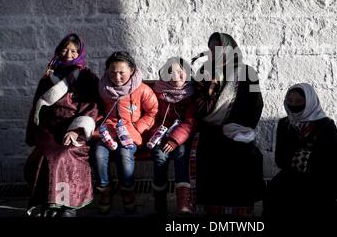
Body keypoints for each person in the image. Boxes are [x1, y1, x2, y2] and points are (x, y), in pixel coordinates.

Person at [24, 33, 99, 217]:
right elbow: (37, 106)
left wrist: (76, 131)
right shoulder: (48, 78)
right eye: (65, 49)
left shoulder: (86, 77)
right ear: (58, 51)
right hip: (49, 130)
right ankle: (48, 203)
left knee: (63, 155)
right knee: (43, 155)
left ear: (80, 53)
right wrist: (35, 133)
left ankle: (66, 204)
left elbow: (92, 106)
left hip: (73, 129)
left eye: (74, 50)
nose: (68, 53)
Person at [192, 32, 265, 216]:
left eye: (220, 49)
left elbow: (257, 102)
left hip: (238, 127)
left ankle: (242, 206)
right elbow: (198, 103)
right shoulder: (204, 72)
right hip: (209, 128)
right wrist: (211, 89)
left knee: (245, 153)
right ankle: (211, 206)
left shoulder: (249, 73)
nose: (215, 54)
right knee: (207, 150)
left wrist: (244, 127)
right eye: (212, 50)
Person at [263, 83, 337, 218]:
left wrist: (307, 162)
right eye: (290, 101)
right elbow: (280, 159)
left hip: (324, 176)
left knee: (313, 200)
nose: (293, 105)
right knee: (273, 192)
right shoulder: (284, 124)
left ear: (309, 102)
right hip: (294, 173)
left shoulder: (326, 125)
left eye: (299, 101)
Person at [94, 51, 158, 214]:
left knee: (125, 154)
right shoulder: (102, 88)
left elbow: (152, 111)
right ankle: (104, 191)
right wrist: (100, 123)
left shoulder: (141, 89)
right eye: (112, 72)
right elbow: (94, 110)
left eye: (122, 72)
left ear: (131, 70)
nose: (117, 76)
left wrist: (137, 128)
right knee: (99, 154)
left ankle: (127, 191)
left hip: (130, 133)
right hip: (107, 132)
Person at [149, 57, 197, 215]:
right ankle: (160, 200)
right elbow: (152, 117)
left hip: (181, 137)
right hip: (161, 135)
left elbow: (190, 122)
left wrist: (174, 140)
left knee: (182, 155)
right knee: (160, 156)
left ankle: (184, 203)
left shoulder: (190, 94)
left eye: (180, 71)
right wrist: (157, 135)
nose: (175, 75)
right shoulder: (158, 92)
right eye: (171, 72)